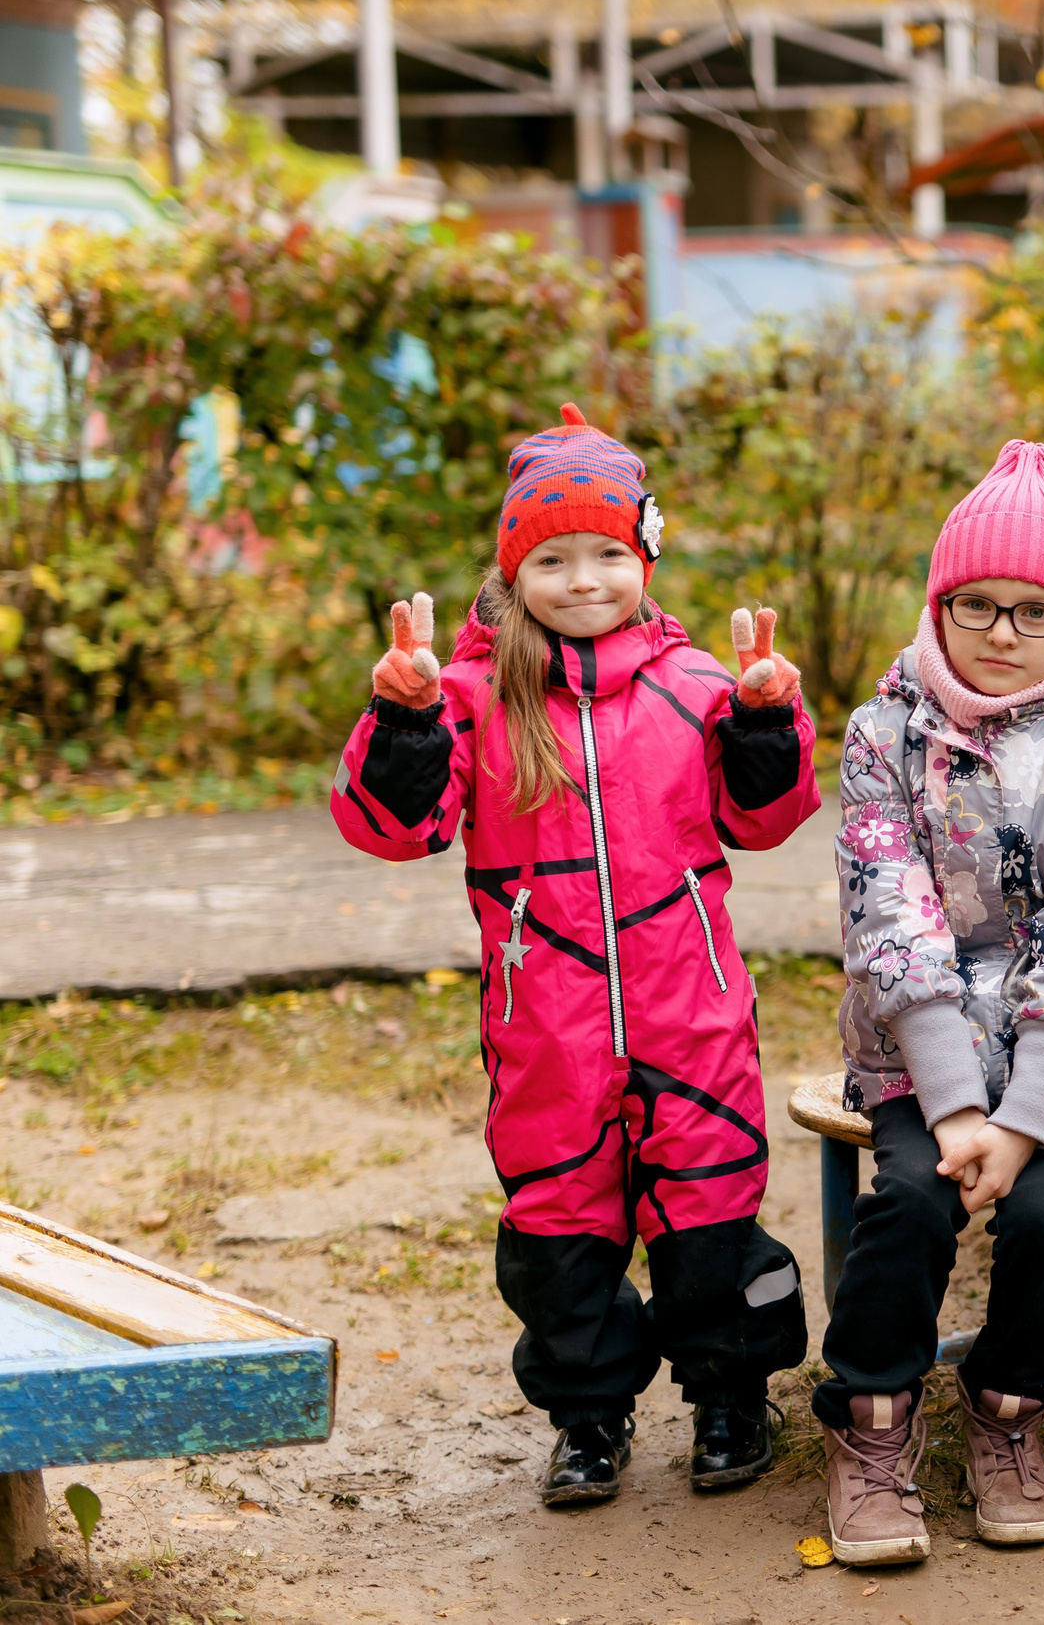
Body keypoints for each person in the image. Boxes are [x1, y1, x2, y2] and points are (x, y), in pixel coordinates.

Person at [330, 405, 819, 1506]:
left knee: (708, 1213)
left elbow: (768, 817)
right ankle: (589, 1420)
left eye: (609, 553)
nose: (585, 578)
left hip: (690, 1011)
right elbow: (390, 829)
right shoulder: (467, 698)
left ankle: (731, 1399)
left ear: (644, 556)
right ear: (514, 573)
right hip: (543, 1023)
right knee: (559, 1230)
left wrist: (761, 726)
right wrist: (401, 724)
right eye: (553, 558)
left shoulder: (696, 686)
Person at [814, 438, 1044, 1567]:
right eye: (979, 604)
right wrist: (955, 1108)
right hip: (921, 1045)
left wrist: (1027, 1113)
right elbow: (888, 911)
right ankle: (870, 1422)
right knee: (909, 1200)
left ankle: (1006, 1415)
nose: (1003, 632)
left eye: (1036, 611)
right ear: (938, 602)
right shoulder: (882, 733)